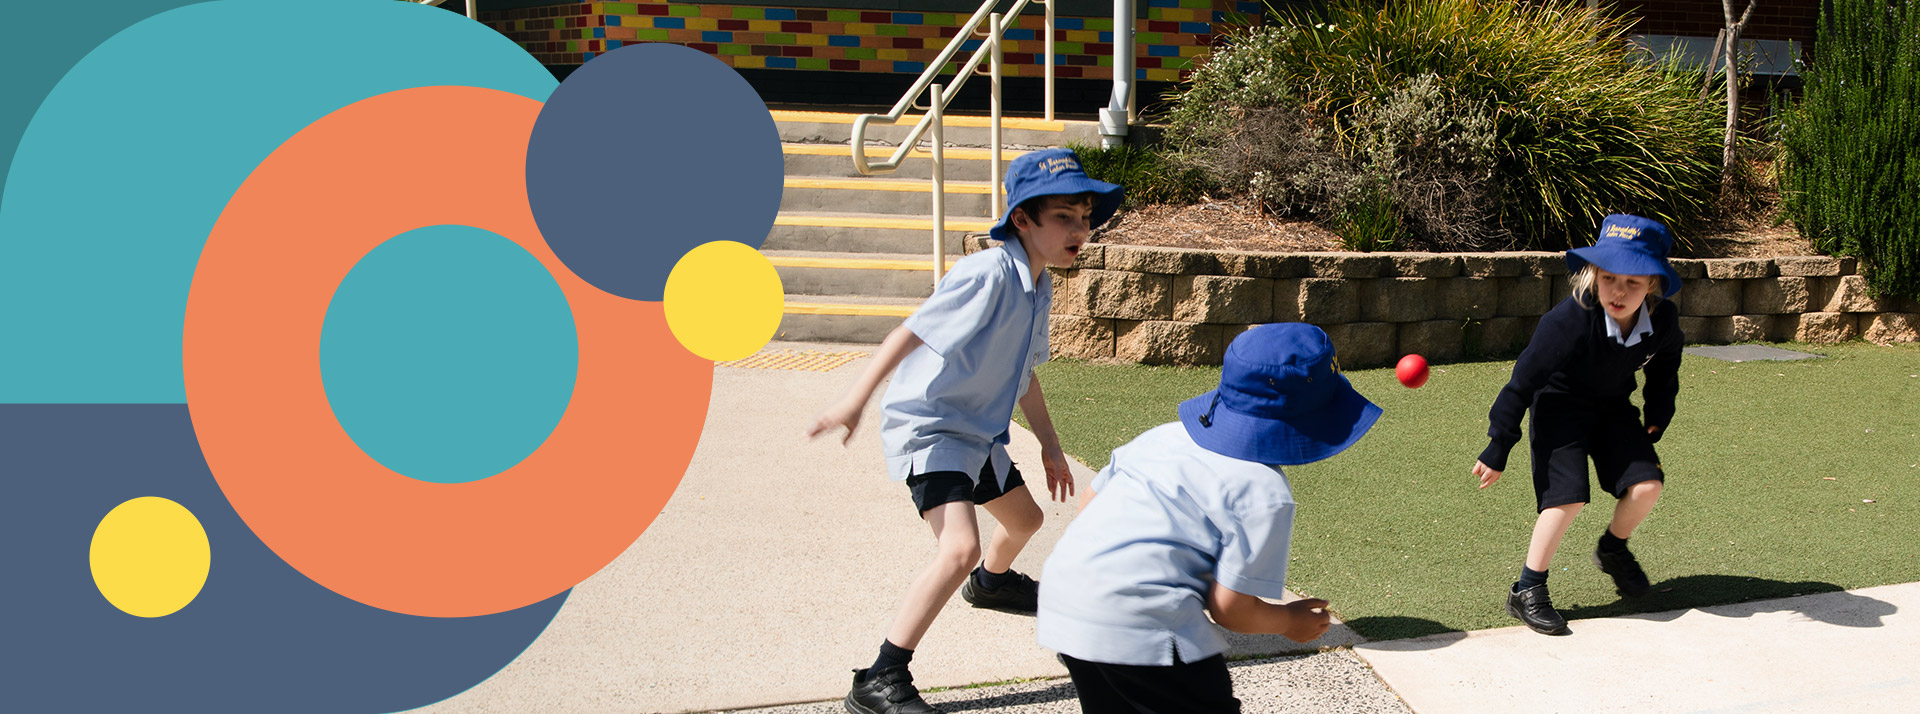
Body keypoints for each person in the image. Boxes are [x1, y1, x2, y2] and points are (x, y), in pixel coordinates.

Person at [806, 148, 1123, 714]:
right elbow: (909, 333)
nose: (1081, 229)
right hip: (932, 430)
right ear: (1022, 220)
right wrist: (854, 401)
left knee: (1025, 520)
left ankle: (992, 585)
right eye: (1064, 217)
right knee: (959, 547)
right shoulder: (987, 273)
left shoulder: (1039, 283)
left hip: (978, 434)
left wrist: (1051, 446)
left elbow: (1023, 374)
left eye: (1085, 215)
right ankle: (879, 677)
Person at [1035, 323, 1379, 713]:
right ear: (1312, 421)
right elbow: (1230, 609)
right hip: (1142, 621)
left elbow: (1089, 502)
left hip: (1067, 597)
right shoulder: (1263, 492)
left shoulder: (1164, 436)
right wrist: (1288, 621)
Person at [1472, 214, 1686, 636]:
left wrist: (1657, 417)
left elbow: (1666, 371)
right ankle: (1527, 589)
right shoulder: (1569, 320)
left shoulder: (1662, 320)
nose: (1618, 292)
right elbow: (1522, 382)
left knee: (1647, 486)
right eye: (1609, 278)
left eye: (1633, 282)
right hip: (1559, 407)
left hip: (1612, 408)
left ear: (1653, 285)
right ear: (1593, 274)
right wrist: (1499, 445)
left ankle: (1613, 548)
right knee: (1565, 500)